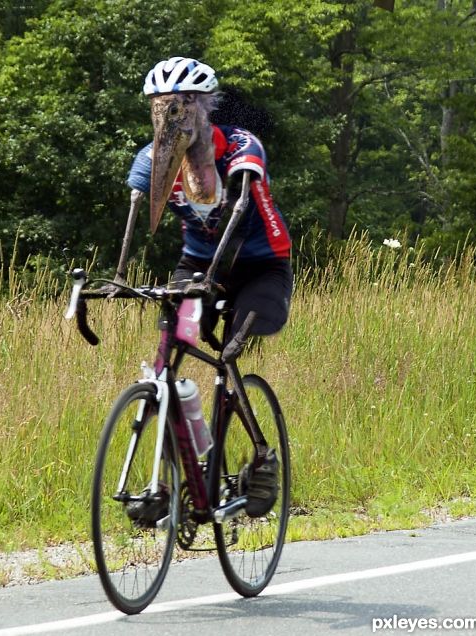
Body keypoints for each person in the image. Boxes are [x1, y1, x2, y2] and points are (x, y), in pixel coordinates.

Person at [125, 57, 292, 516]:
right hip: (197, 263)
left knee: (231, 350)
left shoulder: (241, 147)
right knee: (168, 351)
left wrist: (214, 285)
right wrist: (118, 279)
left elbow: (239, 219)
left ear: (204, 105)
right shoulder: (152, 157)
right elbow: (136, 210)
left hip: (260, 266)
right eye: (161, 108)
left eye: (183, 105)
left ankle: (262, 457)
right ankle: (168, 479)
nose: (173, 116)